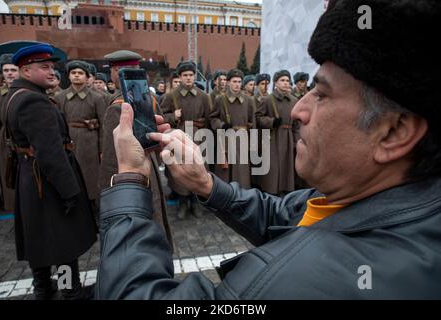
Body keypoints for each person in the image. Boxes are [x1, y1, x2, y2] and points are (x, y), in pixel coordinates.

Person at [96, 0, 441, 299]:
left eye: (322, 94)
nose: (298, 110)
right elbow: (287, 216)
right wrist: (206, 184)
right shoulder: (387, 200)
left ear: (393, 132)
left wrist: (129, 178)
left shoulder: (293, 281)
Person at [4, 44, 97, 300]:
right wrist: (70, 192)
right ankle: (70, 291)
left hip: (32, 181)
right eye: (44, 67)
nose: (52, 71)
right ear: (26, 70)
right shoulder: (33, 100)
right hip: (48, 183)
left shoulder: (15, 95)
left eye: (52, 66)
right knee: (64, 244)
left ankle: (43, 289)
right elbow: (50, 154)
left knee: (39, 239)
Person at [97, 49, 172, 244]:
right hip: (151, 165)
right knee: (154, 207)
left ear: (115, 72)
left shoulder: (117, 108)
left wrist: (107, 194)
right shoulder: (149, 98)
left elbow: (111, 160)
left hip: (130, 174)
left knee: (140, 217)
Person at [160, 61, 211, 219]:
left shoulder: (203, 96)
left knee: (197, 168)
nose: (188, 78)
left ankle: (196, 202)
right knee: (180, 170)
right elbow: (161, 117)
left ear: (195, 76)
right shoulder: (171, 96)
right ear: (180, 77)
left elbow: (209, 118)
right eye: (185, 75)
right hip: (179, 136)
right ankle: (182, 203)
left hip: (199, 137)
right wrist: (172, 117)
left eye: (191, 75)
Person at [54, 60, 107, 209]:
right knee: (68, 172)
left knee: (90, 175)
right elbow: (57, 123)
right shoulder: (60, 97)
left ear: (87, 77)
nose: (76, 76)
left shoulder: (97, 98)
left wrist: (102, 149)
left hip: (89, 141)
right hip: (67, 140)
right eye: (73, 73)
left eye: (80, 73)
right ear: (69, 76)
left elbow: (104, 125)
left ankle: (93, 205)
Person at [210, 69, 256, 189]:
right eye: (234, 81)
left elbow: (253, 122)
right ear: (229, 82)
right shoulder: (220, 99)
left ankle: (242, 197)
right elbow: (213, 118)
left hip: (243, 140)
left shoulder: (249, 100)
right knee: (224, 172)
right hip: (225, 139)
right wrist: (222, 125)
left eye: (239, 81)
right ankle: (224, 198)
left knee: (242, 172)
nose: (237, 84)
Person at [256, 70, 298, 195]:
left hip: (289, 137)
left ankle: (286, 192)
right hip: (273, 137)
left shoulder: (294, 101)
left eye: (287, 80)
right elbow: (258, 118)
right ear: (276, 83)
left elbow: (297, 123)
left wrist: (296, 140)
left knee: (287, 165)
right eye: (282, 80)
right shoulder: (268, 99)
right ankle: (271, 191)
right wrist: (272, 121)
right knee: (273, 167)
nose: (286, 83)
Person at [0, 53, 19, 211]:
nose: (9, 73)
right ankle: (11, 206)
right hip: (4, 140)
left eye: (13, 70)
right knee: (7, 174)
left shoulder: (25, 90)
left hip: (23, 138)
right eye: (6, 70)